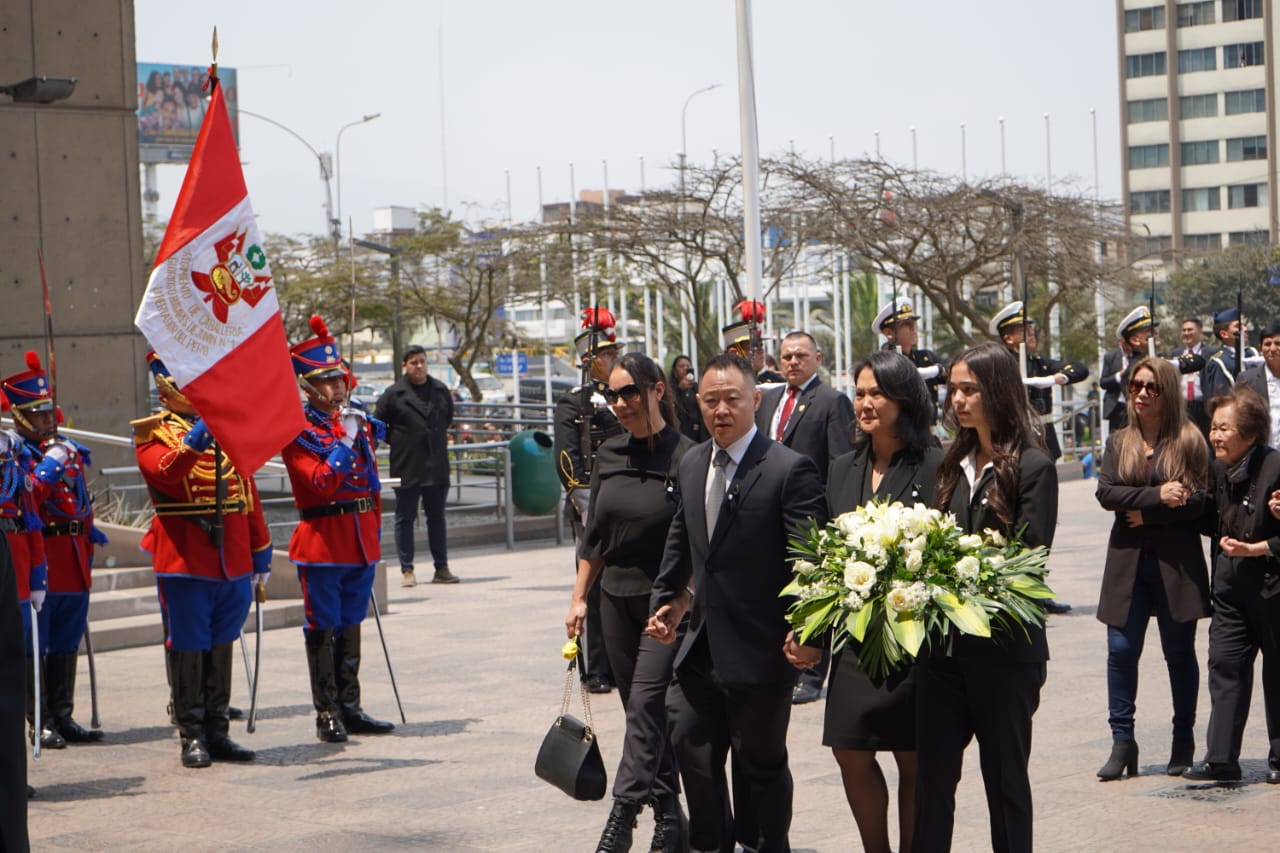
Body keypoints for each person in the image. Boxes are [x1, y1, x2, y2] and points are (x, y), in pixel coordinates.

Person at [647, 353, 826, 853]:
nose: (721, 410)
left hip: (761, 651)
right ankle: (713, 844)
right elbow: (681, 541)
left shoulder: (790, 470)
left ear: (755, 400)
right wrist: (667, 601)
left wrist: (810, 636)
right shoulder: (691, 462)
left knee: (760, 766)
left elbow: (808, 563)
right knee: (692, 750)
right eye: (710, 401)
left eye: (732, 399)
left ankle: (766, 844)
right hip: (699, 649)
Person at [914, 342, 1058, 853]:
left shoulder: (1034, 466)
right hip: (944, 655)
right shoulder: (950, 463)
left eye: (969, 389)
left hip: (1004, 655)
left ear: (997, 390)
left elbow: (1029, 562)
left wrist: (957, 577)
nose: (957, 399)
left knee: (1005, 785)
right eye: (953, 389)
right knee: (931, 784)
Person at [566, 353, 695, 853]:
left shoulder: (689, 456)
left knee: (647, 705)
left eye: (629, 393)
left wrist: (685, 595)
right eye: (612, 396)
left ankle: (622, 817)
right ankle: (670, 819)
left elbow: (701, 541)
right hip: (613, 603)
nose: (619, 404)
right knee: (640, 712)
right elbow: (594, 536)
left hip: (666, 604)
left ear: (658, 390)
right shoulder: (609, 454)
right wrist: (578, 598)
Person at [821, 350, 942, 853]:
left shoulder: (935, 465)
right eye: (860, 393)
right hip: (855, 635)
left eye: (877, 393)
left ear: (903, 399)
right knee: (849, 749)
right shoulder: (841, 468)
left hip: (913, 635)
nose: (865, 403)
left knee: (912, 757)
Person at [132, 353, 270, 767]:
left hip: (231, 557)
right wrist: (196, 439)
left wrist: (260, 549)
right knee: (189, 645)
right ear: (166, 386)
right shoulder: (153, 433)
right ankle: (191, 734)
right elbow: (166, 474)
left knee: (222, 642)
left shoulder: (226, 430)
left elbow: (247, 492)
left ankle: (218, 730)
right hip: (186, 557)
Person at [1094, 357, 1211, 781]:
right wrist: (1159, 496)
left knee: (1179, 655)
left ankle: (1184, 740)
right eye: (1134, 385)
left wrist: (1152, 514)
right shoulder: (1119, 441)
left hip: (1175, 565)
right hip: (1127, 565)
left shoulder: (1189, 440)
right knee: (1121, 653)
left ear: (1167, 391)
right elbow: (1106, 493)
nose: (1141, 394)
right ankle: (1122, 742)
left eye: (1151, 387)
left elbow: (1201, 503)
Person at [284, 317, 396, 743]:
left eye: (338, 378)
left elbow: (373, 477)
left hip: (360, 538)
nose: (337, 388)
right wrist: (347, 443)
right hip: (323, 542)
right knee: (324, 627)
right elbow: (320, 482)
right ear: (307, 387)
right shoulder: (298, 431)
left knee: (351, 624)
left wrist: (358, 431)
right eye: (325, 381)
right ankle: (326, 711)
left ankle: (351, 706)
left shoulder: (355, 421)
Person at [2, 352, 105, 749]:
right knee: (36, 646)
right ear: (20, 418)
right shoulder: (16, 456)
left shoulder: (66, 449)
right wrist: (47, 466)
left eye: (49, 413)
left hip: (73, 557)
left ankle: (63, 715)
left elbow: (82, 503)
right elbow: (26, 499)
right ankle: (39, 720)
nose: (48, 420)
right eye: (38, 415)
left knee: (65, 641)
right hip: (41, 555)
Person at [1184, 387, 1280, 783]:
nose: (1216, 436)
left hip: (1272, 588)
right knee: (1225, 665)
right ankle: (1221, 757)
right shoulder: (1218, 467)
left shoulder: (1276, 467)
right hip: (1229, 588)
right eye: (1214, 427)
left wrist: (1259, 547)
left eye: (1225, 428)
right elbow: (1210, 517)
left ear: (1252, 432)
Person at [755, 330, 854, 704]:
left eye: (800, 356)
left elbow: (840, 462)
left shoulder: (831, 401)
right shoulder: (767, 400)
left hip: (810, 515)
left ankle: (812, 673)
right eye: (786, 357)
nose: (792, 362)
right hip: (766, 513)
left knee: (812, 591)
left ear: (818, 358)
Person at [554, 307, 624, 694]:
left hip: (625, 502)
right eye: (607, 355)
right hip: (591, 506)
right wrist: (591, 507)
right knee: (592, 587)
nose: (614, 360)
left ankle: (620, 658)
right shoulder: (574, 402)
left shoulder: (622, 396)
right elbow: (568, 463)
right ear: (588, 361)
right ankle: (595, 666)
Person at [374, 345, 457, 587]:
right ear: (405, 366)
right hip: (406, 465)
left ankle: (441, 567)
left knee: (437, 518)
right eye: (414, 362)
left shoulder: (440, 391)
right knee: (405, 518)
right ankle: (407, 569)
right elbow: (379, 426)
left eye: (422, 361)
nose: (419, 366)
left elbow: (447, 419)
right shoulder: (393, 395)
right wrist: (402, 441)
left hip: (436, 465)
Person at [1100, 307, 1204, 434]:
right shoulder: (1133, 370)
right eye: (1149, 331)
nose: (1155, 333)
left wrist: (1167, 364)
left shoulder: (1163, 360)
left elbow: (1198, 361)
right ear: (1135, 340)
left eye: (1155, 329)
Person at [873, 298, 947, 412]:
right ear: (889, 333)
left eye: (913, 323)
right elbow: (902, 375)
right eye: (906, 324)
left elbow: (951, 368)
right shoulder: (883, 363)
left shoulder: (925, 357)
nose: (913, 328)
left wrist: (939, 369)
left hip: (929, 428)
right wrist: (936, 370)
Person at [1234, 322, 1280, 449]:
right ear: (1260, 348)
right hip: (1260, 456)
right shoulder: (1247, 380)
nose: (1272, 348)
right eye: (1267, 344)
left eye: (1278, 343)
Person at [1170, 317, 1218, 436]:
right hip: (1183, 405)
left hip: (1203, 406)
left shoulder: (1211, 353)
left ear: (1200, 332)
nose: (1186, 333)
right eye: (1184, 330)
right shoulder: (1176, 353)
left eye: (1190, 330)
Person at [1203, 307, 1261, 400]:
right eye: (1238, 326)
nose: (1245, 329)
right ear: (1224, 334)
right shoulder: (1219, 362)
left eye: (1243, 325)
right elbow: (1221, 397)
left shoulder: (1252, 353)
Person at [669, 354, 705, 443]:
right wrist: (680, 390)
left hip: (698, 434)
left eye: (688, 366)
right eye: (681, 366)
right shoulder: (670, 389)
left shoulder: (697, 387)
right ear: (674, 371)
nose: (685, 368)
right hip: (681, 434)